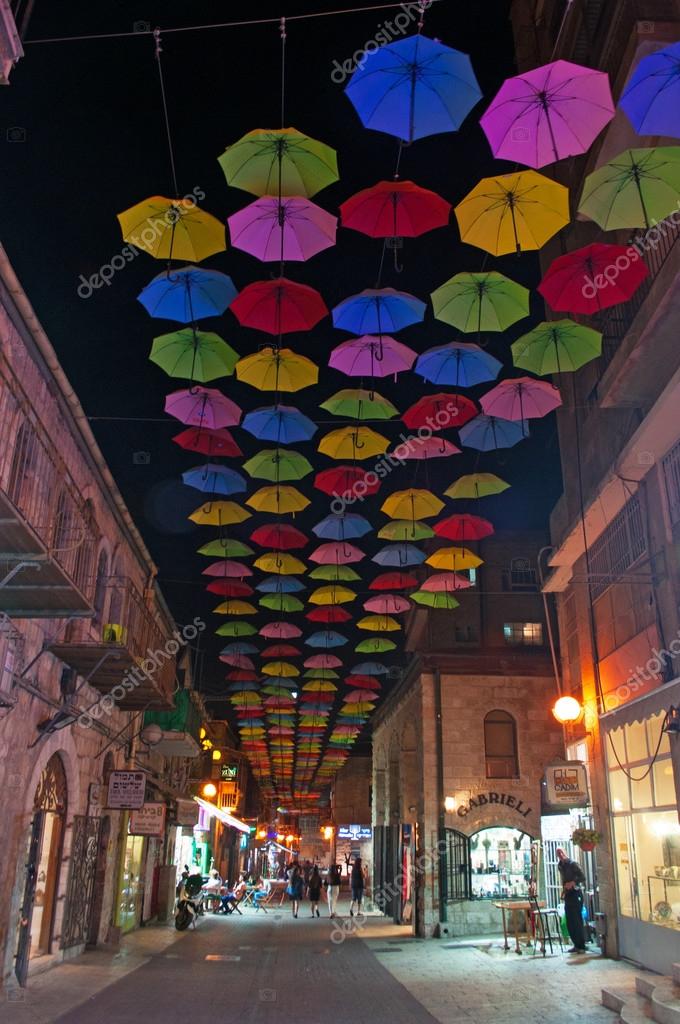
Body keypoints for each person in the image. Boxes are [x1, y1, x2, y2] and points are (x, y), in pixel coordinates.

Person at [556, 847, 588, 953]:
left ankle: (581, 945)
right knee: (570, 920)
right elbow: (564, 879)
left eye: (561, 852)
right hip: (568, 894)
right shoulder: (560, 866)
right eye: (558, 853)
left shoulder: (573, 864)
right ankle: (576, 944)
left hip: (576, 893)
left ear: (565, 852)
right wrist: (564, 889)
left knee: (577, 920)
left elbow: (583, 877)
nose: (560, 855)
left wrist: (573, 882)